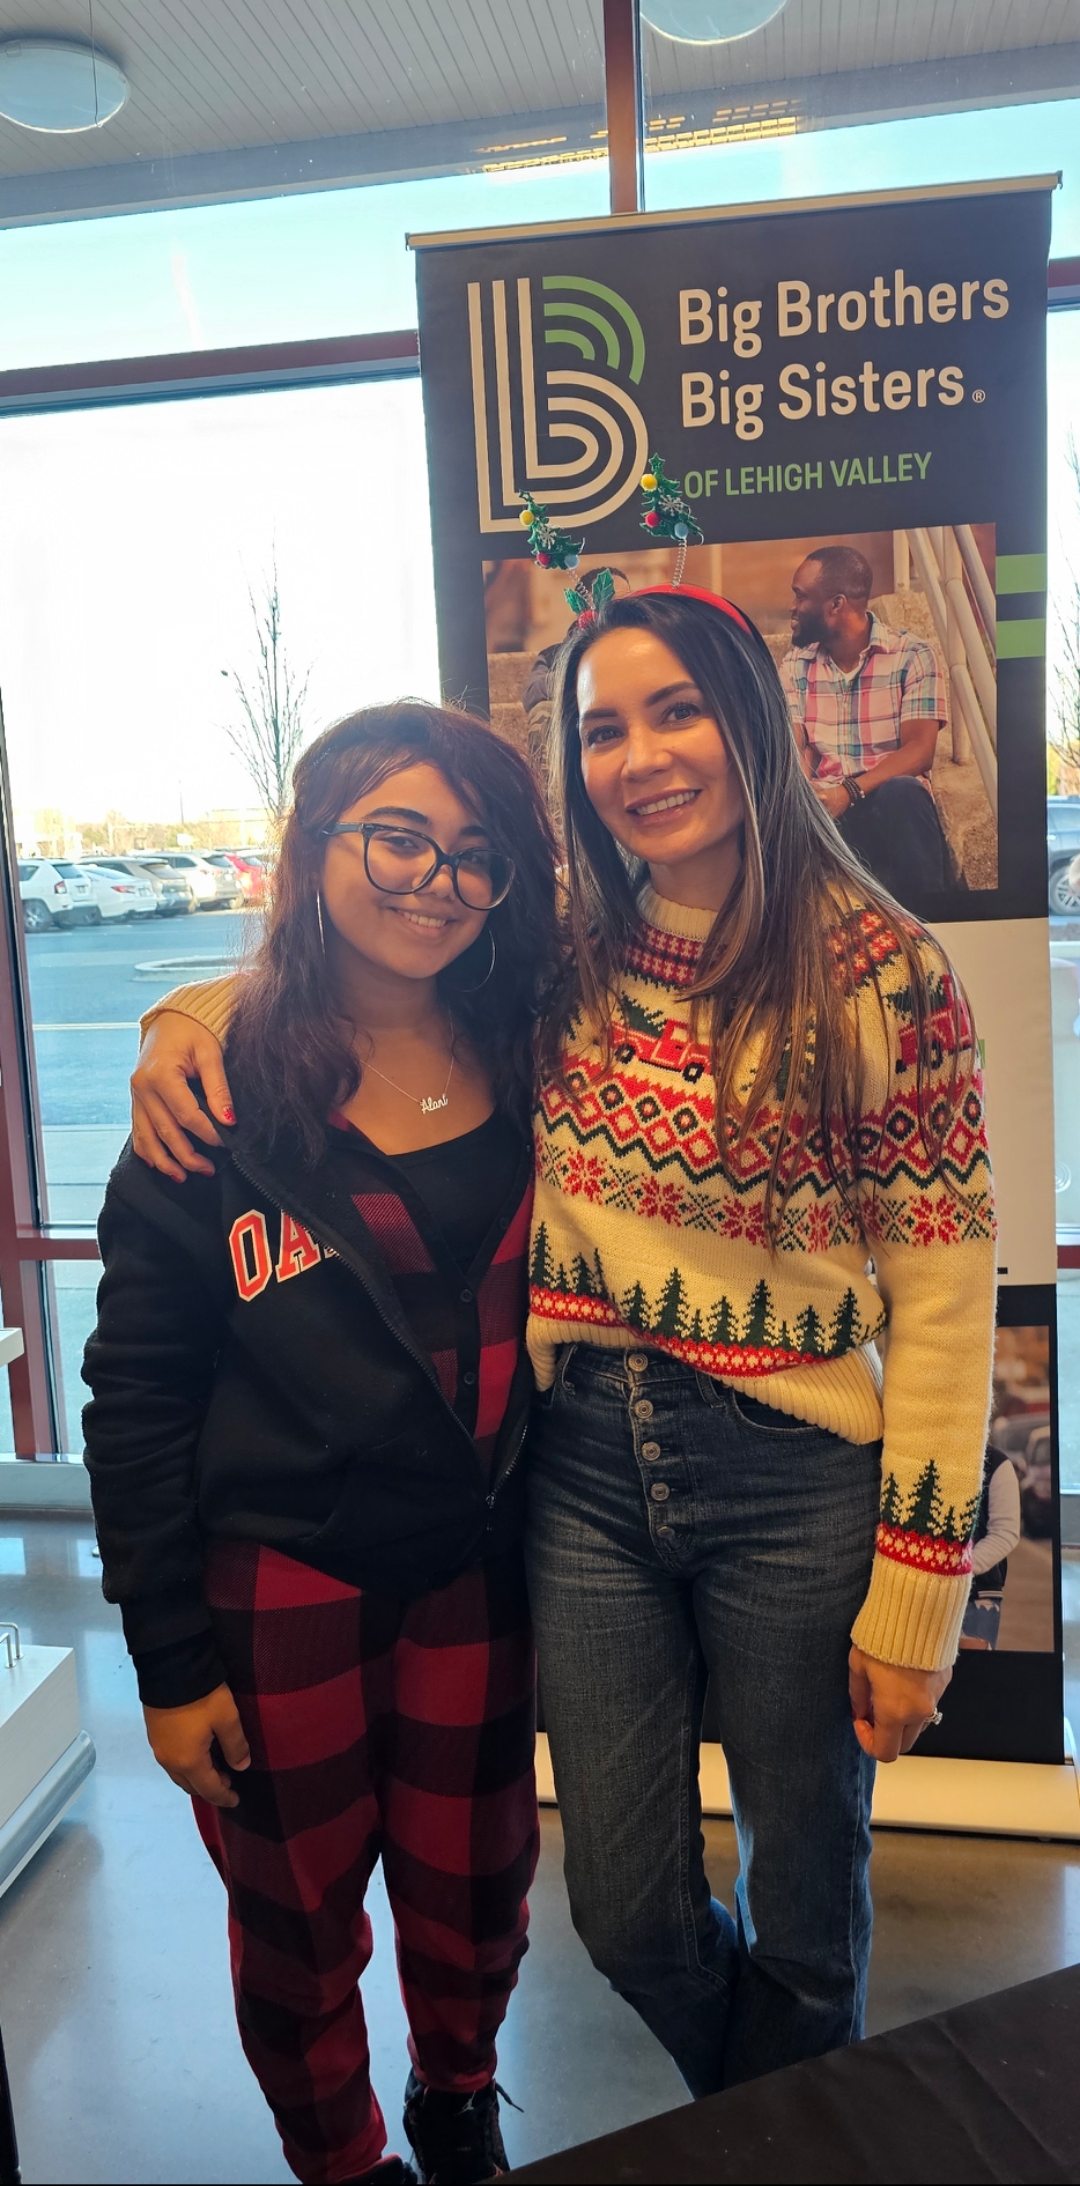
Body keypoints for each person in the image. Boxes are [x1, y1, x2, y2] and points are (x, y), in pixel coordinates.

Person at [129, 585, 995, 2097]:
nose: (642, 756)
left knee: (803, 1907)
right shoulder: (567, 959)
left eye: (677, 712)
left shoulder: (888, 974)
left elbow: (942, 1297)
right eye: (604, 728)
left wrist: (919, 1596)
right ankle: (791, 2118)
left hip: (795, 1478)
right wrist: (182, 1020)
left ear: (757, 723)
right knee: (625, 1910)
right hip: (581, 1469)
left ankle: (781, 2137)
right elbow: (357, 973)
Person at [83, 702, 561, 2186]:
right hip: (284, 1579)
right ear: (314, 846)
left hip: (481, 1566)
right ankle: (343, 2158)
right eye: (397, 835)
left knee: (476, 1887)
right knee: (295, 1912)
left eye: (474, 855)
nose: (436, 879)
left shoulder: (542, 1053)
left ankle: (458, 2100)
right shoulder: (213, 1103)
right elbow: (136, 1390)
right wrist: (169, 1661)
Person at [781, 544, 956, 906]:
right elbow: (792, 747)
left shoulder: (912, 656)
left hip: (886, 806)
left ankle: (933, 926)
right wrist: (808, 797)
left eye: (801, 597)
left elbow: (920, 753)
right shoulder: (796, 664)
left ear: (836, 605)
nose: (793, 608)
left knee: (904, 794)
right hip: (823, 813)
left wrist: (849, 792)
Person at [959, 1444, 1022, 1649]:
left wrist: (958, 1569)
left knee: (973, 1675)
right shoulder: (916, 1455)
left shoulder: (995, 1463)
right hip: (916, 1593)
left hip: (977, 1595)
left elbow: (1005, 1533)